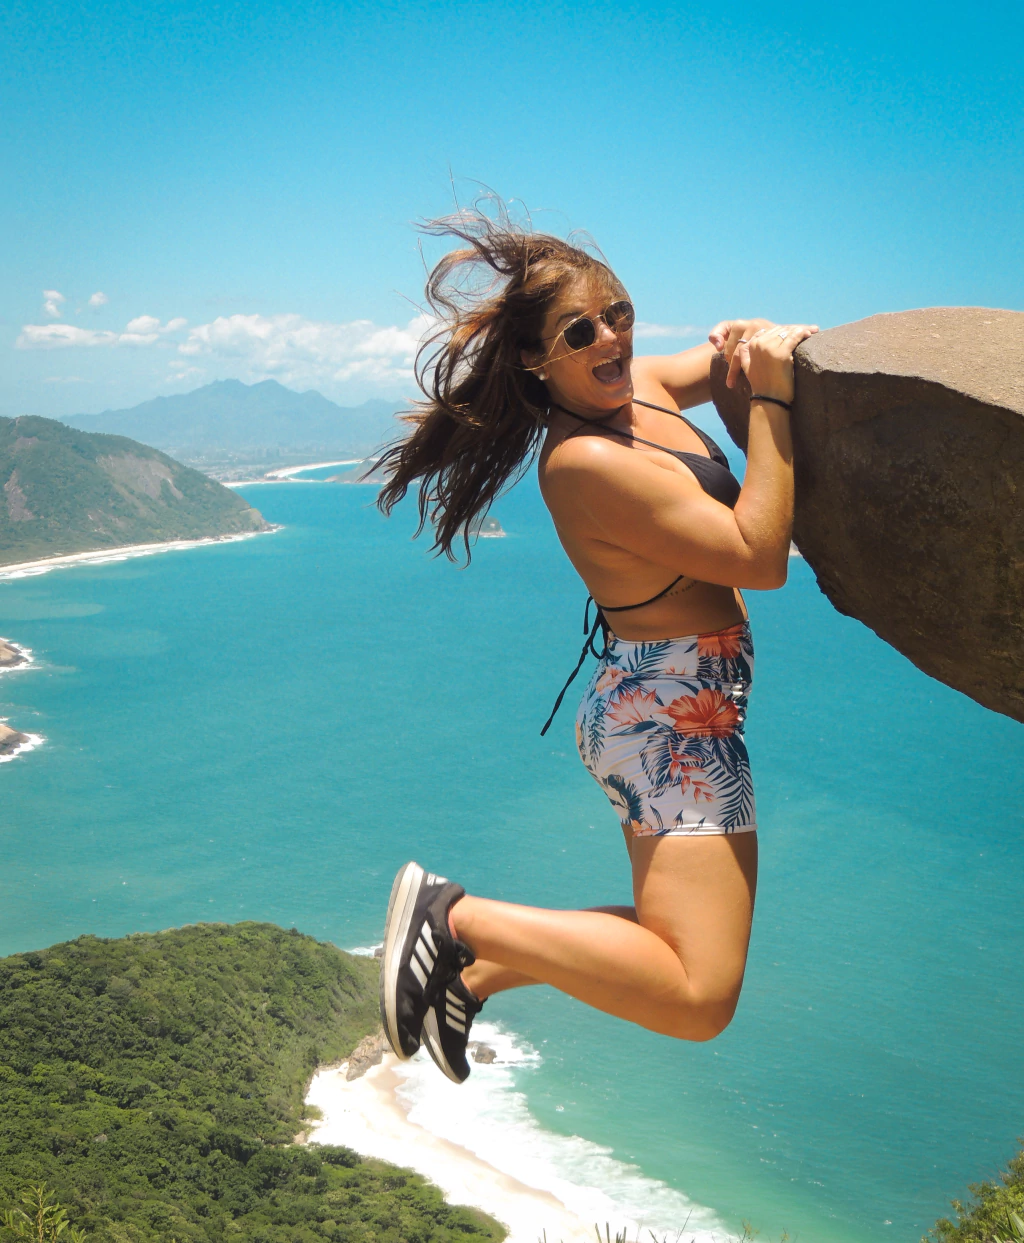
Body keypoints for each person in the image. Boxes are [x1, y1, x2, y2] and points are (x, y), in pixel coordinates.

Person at [373, 206, 817, 1083]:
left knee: (687, 954)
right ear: (539, 360)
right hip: (665, 725)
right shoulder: (581, 462)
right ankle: (458, 921)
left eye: (619, 311)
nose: (611, 336)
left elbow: (711, 360)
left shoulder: (638, 384)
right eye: (582, 330)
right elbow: (759, 558)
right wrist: (772, 395)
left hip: (687, 711)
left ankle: (483, 971)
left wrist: (744, 342)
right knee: (697, 994)